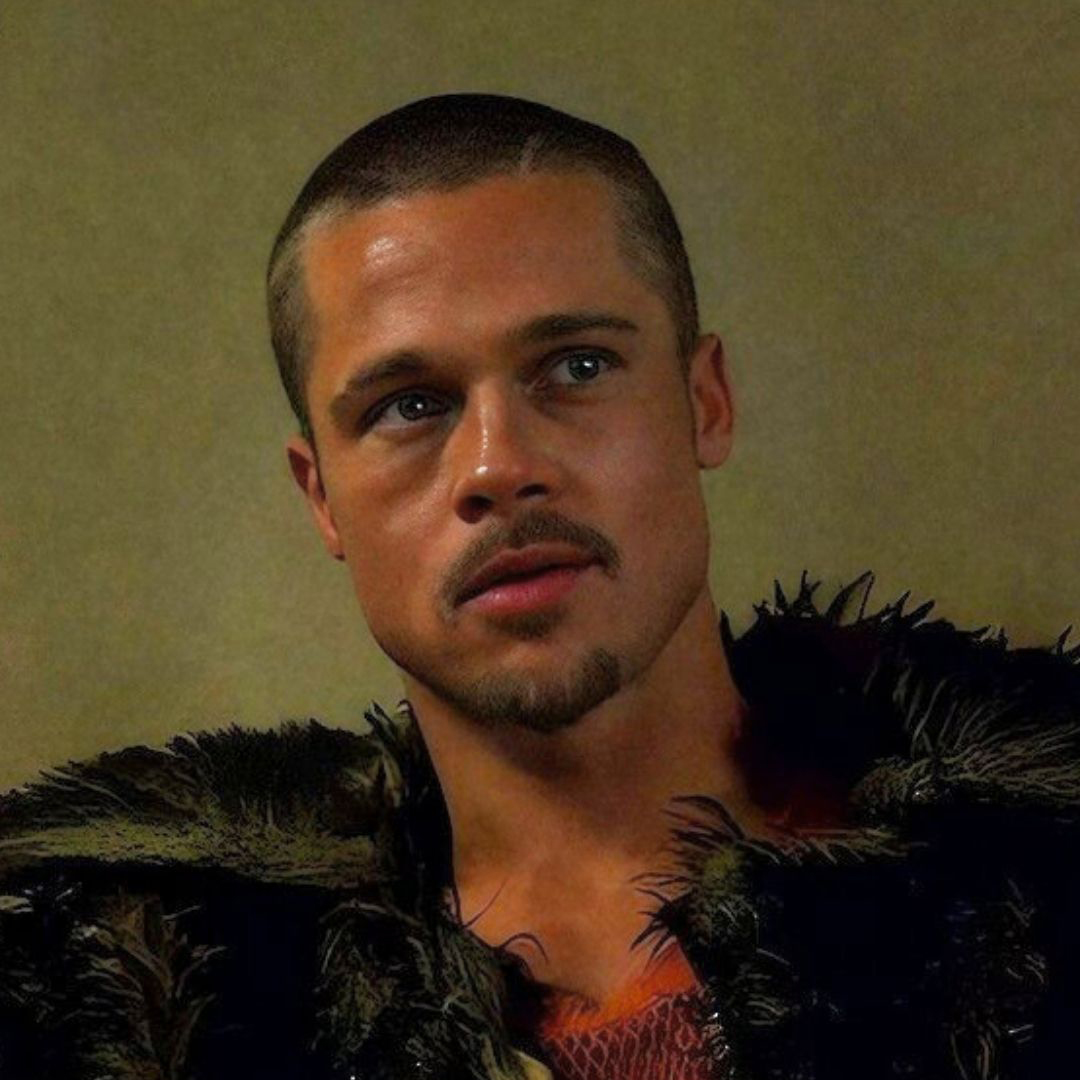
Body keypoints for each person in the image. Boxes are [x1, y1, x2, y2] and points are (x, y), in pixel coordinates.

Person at [0, 94, 1077, 1080]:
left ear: (705, 403)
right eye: (410, 405)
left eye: (577, 367)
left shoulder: (1041, 883)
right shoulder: (145, 1022)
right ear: (321, 496)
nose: (497, 465)